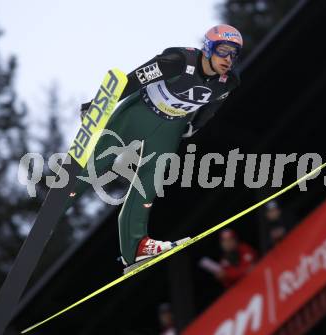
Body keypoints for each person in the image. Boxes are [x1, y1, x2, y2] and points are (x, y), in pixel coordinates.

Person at [71, 25, 244, 269]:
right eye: (223, 51)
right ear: (208, 48)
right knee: (99, 162)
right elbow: (135, 78)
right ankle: (63, 196)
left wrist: (195, 127)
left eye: (234, 54)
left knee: (149, 183)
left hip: (171, 127)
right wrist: (98, 105)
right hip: (140, 113)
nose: (228, 59)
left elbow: (212, 106)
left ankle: (135, 248)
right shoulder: (178, 61)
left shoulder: (228, 81)